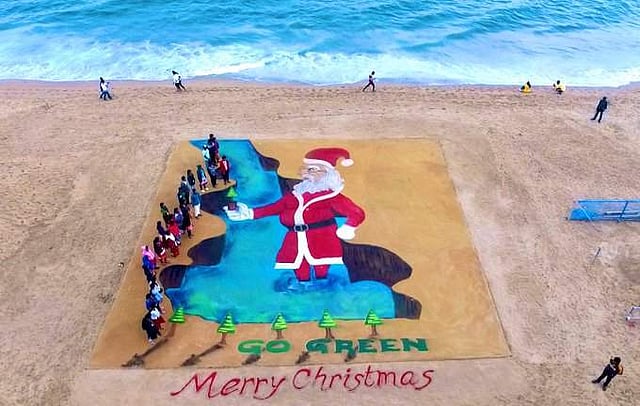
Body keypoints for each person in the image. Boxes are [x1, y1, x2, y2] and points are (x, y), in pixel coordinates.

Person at [224, 147, 365, 283]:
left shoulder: (332, 196)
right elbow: (274, 208)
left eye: (312, 170)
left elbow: (356, 213)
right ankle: (302, 286)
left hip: (320, 237)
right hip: (295, 237)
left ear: (327, 173)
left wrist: (349, 227)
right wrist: (249, 213)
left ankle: (321, 286)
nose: (306, 173)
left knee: (321, 264)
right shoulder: (296, 194)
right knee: (298, 264)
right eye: (306, 169)